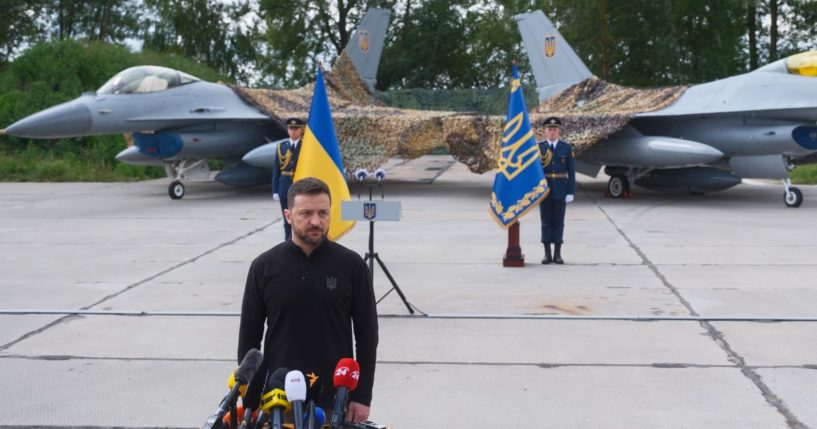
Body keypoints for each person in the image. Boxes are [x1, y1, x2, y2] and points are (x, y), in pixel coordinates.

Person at [238, 177, 379, 423]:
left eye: (323, 212)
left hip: (335, 398)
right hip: (277, 398)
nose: (316, 221)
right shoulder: (263, 267)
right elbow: (250, 336)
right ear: (288, 215)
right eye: (306, 213)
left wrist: (362, 396)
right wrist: (250, 398)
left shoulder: (352, 266)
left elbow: (367, 335)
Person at [537, 116, 575, 264]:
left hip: (560, 188)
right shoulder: (539, 147)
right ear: (545, 131)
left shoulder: (566, 148)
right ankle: (547, 254)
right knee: (546, 221)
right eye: (549, 129)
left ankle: (558, 254)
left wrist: (570, 191)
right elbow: (535, 171)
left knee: (559, 221)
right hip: (544, 189)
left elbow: (571, 172)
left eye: (554, 129)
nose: (552, 132)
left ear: (559, 131)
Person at [272, 117, 305, 240]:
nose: (293, 131)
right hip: (284, 186)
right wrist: (275, 190)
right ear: (288, 130)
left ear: (301, 130)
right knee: (287, 218)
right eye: (291, 128)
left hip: (300, 187)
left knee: (300, 217)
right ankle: (288, 241)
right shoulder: (281, 147)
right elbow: (276, 169)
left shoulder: (306, 147)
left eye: (296, 129)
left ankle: (300, 240)